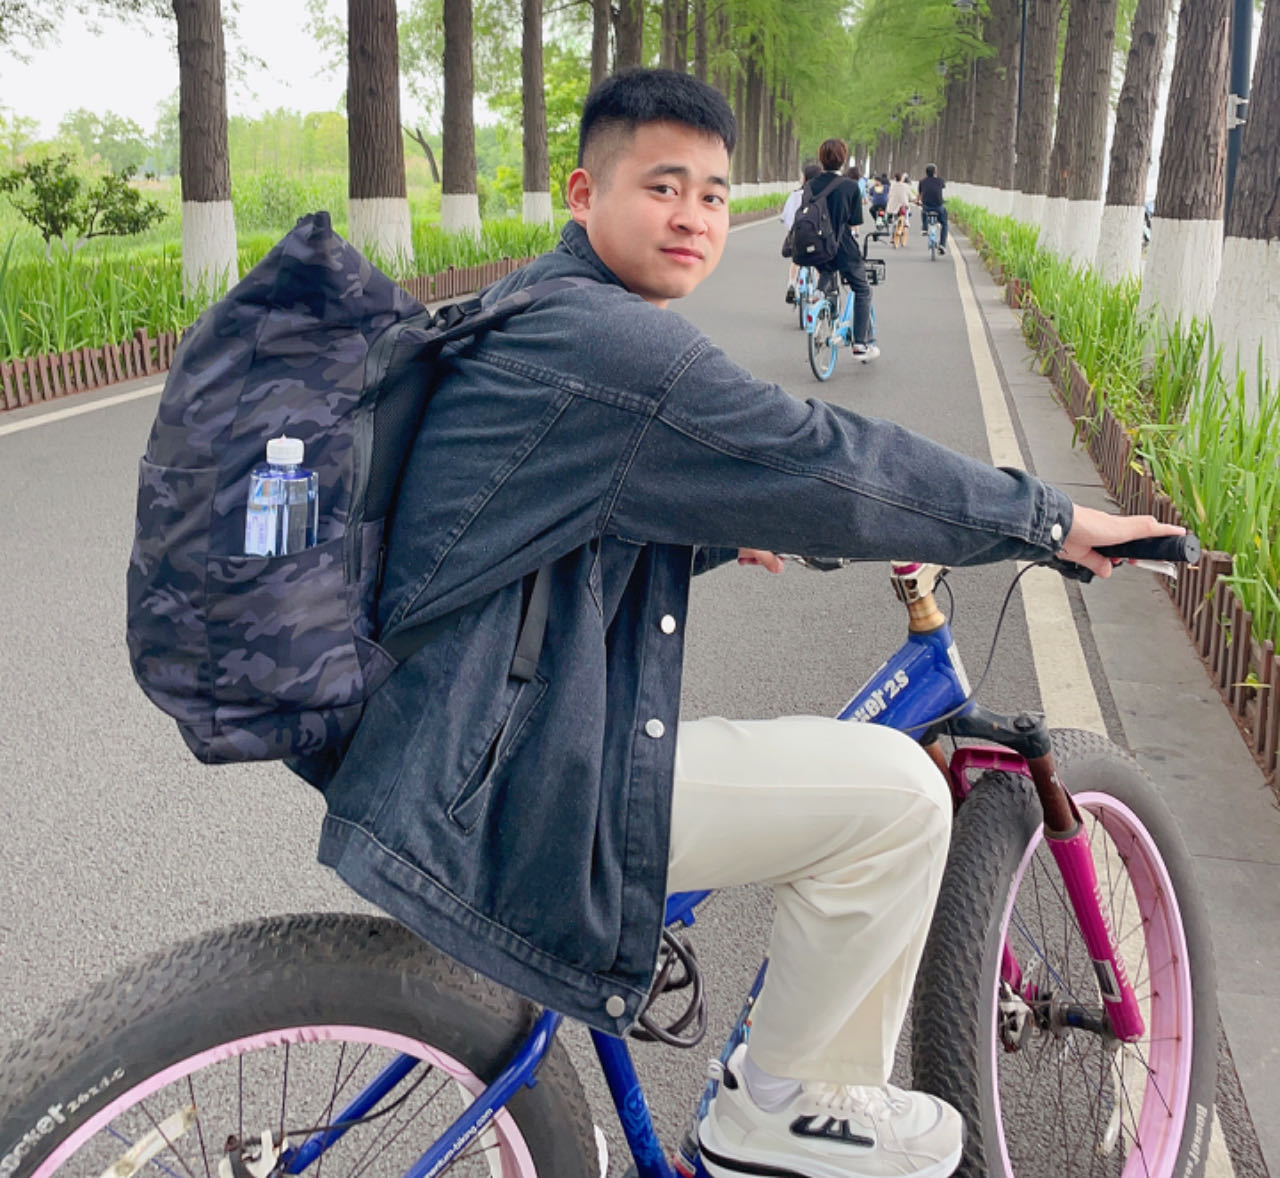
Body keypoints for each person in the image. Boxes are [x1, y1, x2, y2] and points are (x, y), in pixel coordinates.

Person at [316, 68, 1180, 1178]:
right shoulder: (616, 348)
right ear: (583, 192)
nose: (693, 215)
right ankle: (783, 1108)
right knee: (898, 798)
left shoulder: (540, 306)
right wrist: (1046, 520)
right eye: (661, 186)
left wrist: (722, 528)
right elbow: (825, 455)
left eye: (714, 195)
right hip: (513, 782)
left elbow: (545, 518)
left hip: (451, 747)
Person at [803, 137, 876, 359]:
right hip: (843, 246)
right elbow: (855, 221)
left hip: (816, 245)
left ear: (821, 159)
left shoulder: (810, 185)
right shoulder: (850, 186)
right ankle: (860, 343)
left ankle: (819, 293)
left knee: (827, 269)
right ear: (843, 159)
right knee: (862, 289)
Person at [782, 159, 821, 304]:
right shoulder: (822, 196)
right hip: (816, 236)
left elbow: (787, 218)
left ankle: (792, 283)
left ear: (805, 178)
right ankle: (818, 289)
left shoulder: (795, 195)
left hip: (798, 235)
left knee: (796, 259)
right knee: (820, 261)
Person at [917, 163, 948, 253]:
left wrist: (917, 201)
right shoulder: (940, 180)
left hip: (926, 206)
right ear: (935, 172)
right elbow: (942, 187)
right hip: (938, 207)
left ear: (926, 172)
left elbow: (920, 194)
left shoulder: (922, 181)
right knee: (944, 224)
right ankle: (942, 245)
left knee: (923, 212)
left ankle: (925, 228)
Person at [887, 171, 912, 247]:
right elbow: (911, 196)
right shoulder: (906, 186)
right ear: (901, 178)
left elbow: (889, 195)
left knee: (894, 221)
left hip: (893, 207)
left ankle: (892, 237)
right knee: (906, 211)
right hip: (903, 206)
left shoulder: (892, 186)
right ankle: (906, 222)